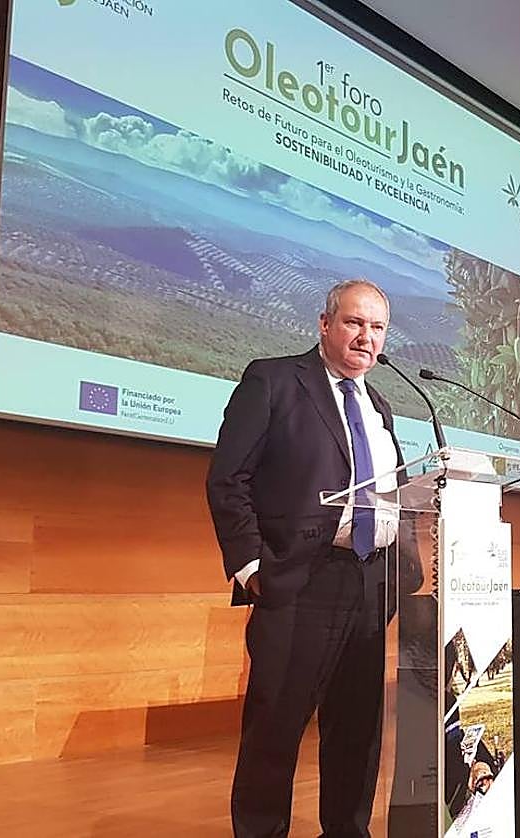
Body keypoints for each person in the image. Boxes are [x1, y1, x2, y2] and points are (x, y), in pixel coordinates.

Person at [206, 278, 415, 837]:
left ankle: (347, 831)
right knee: (276, 725)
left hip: (370, 583)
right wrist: (251, 567)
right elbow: (228, 479)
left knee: (357, 728)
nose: (366, 337)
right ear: (325, 325)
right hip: (300, 580)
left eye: (377, 328)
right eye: (354, 323)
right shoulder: (273, 381)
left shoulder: (380, 405)